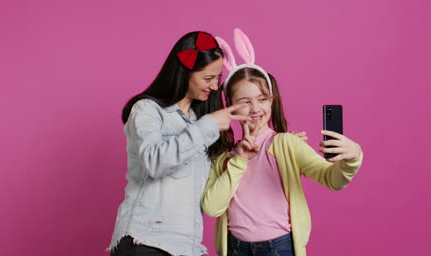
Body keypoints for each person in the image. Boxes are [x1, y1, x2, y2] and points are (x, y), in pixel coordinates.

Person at [201, 29, 363, 256]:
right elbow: (212, 207)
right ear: (230, 105)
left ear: (271, 100)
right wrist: (238, 161)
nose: (256, 109)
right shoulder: (223, 158)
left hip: (279, 248)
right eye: (245, 102)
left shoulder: (287, 144)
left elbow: (331, 178)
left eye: (262, 99)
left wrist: (352, 158)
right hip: (235, 248)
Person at [108, 31, 252, 256]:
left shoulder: (200, 121)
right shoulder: (147, 110)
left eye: (217, 78)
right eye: (207, 78)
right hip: (146, 241)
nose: (214, 86)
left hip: (187, 246)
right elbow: (154, 162)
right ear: (185, 73)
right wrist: (208, 126)